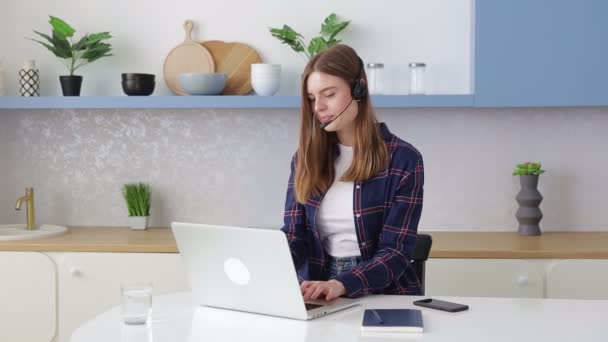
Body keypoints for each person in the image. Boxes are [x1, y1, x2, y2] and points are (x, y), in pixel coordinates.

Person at [280, 44, 425, 302]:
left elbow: (395, 252)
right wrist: (267, 264)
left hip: (383, 292)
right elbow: (294, 236)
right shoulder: (304, 159)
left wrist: (341, 283)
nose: (318, 107)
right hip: (317, 289)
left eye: (329, 94)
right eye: (313, 98)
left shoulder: (403, 159)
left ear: (359, 89)